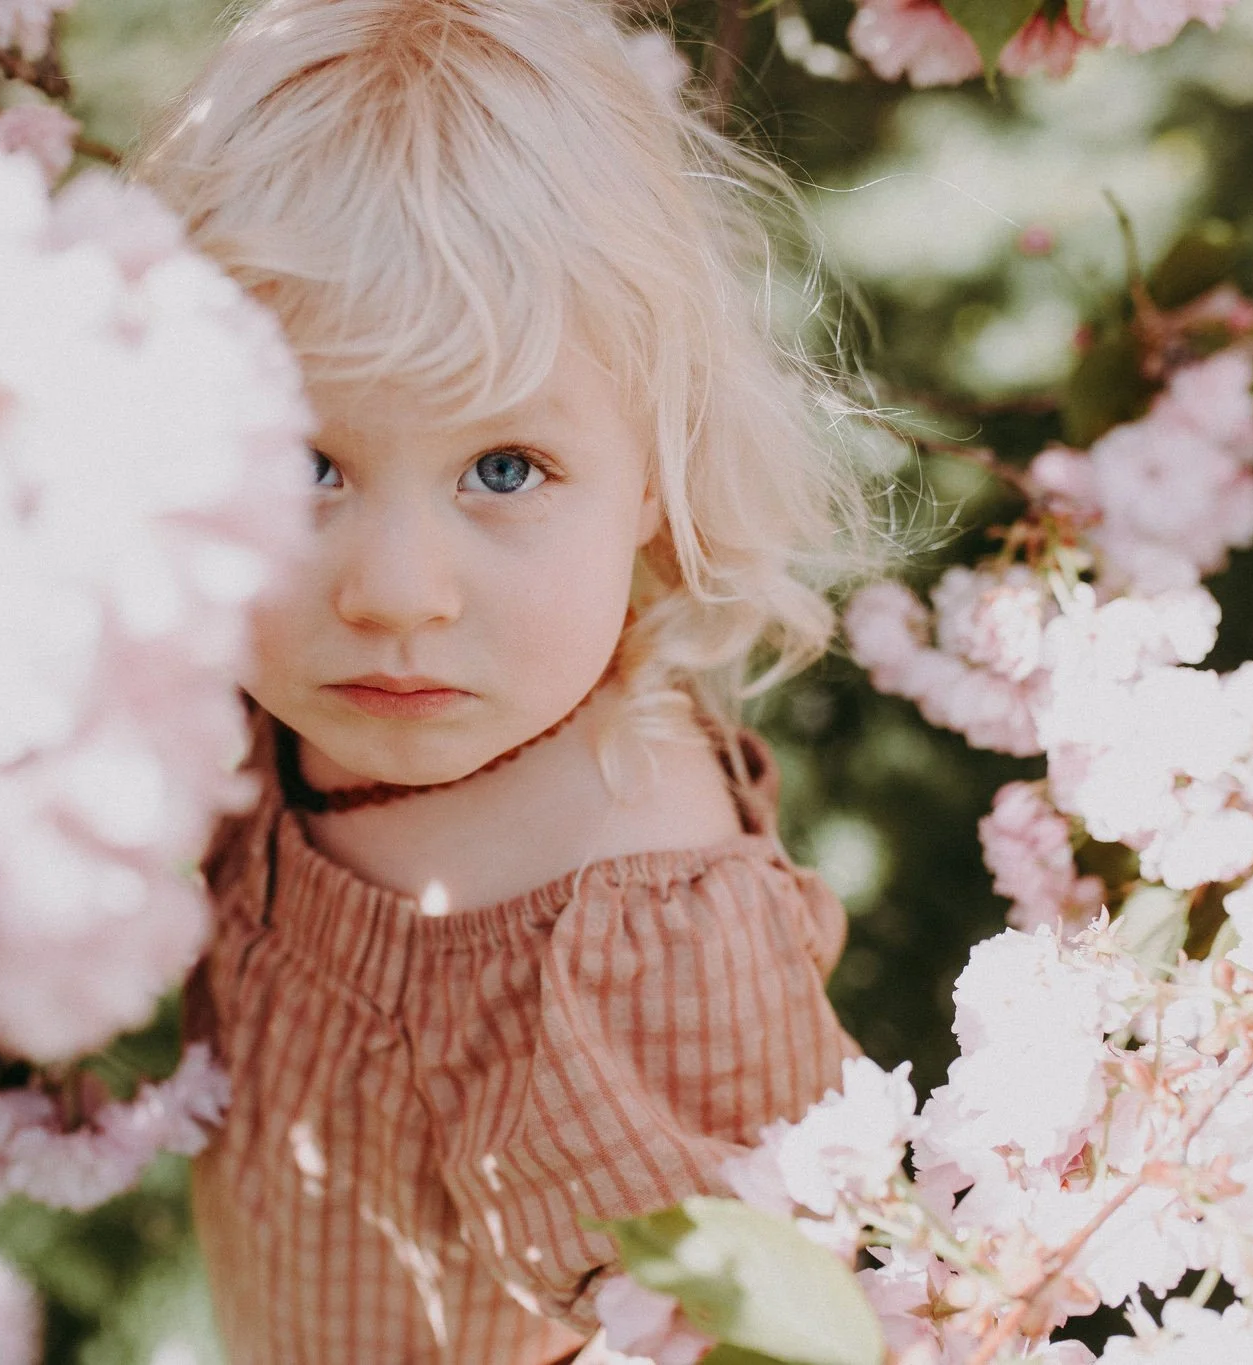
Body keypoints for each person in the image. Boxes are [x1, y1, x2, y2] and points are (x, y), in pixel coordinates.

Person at [137, 1, 888, 1359]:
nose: (397, 590)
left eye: (504, 470)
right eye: (304, 465)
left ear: (655, 470)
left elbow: (753, 1333)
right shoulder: (247, 708)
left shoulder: (625, 946)